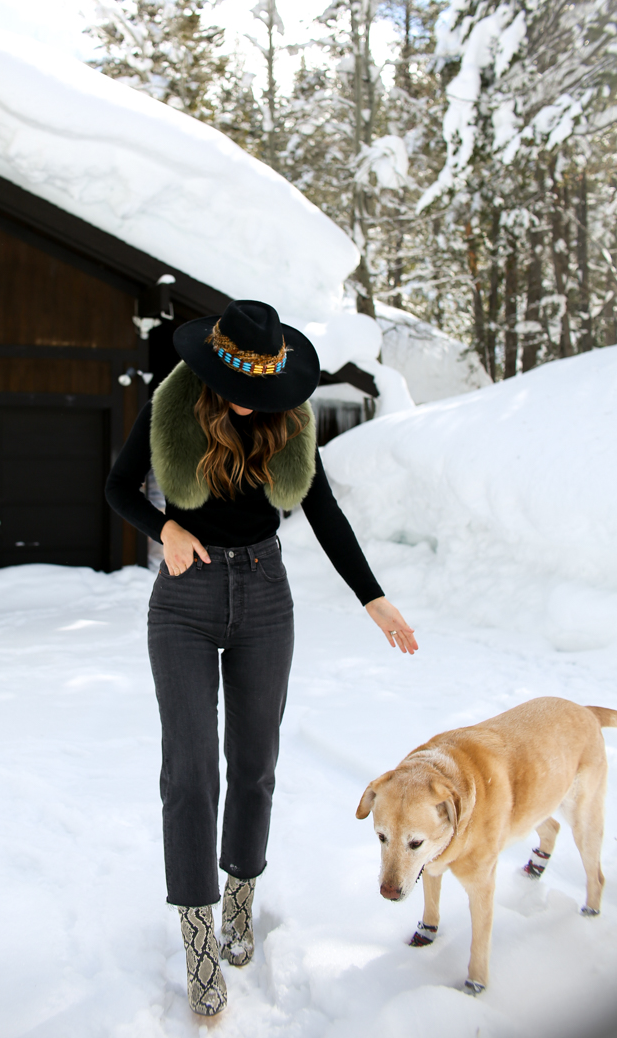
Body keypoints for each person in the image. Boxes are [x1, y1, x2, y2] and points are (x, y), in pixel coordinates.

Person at [105, 299, 416, 1017]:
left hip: (266, 595)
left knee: (255, 765)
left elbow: (324, 510)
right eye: (241, 385)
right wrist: (167, 528)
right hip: (185, 598)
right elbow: (119, 488)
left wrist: (373, 598)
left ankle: (241, 898)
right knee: (190, 772)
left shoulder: (290, 416)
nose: (253, 402)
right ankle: (198, 936)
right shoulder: (174, 403)